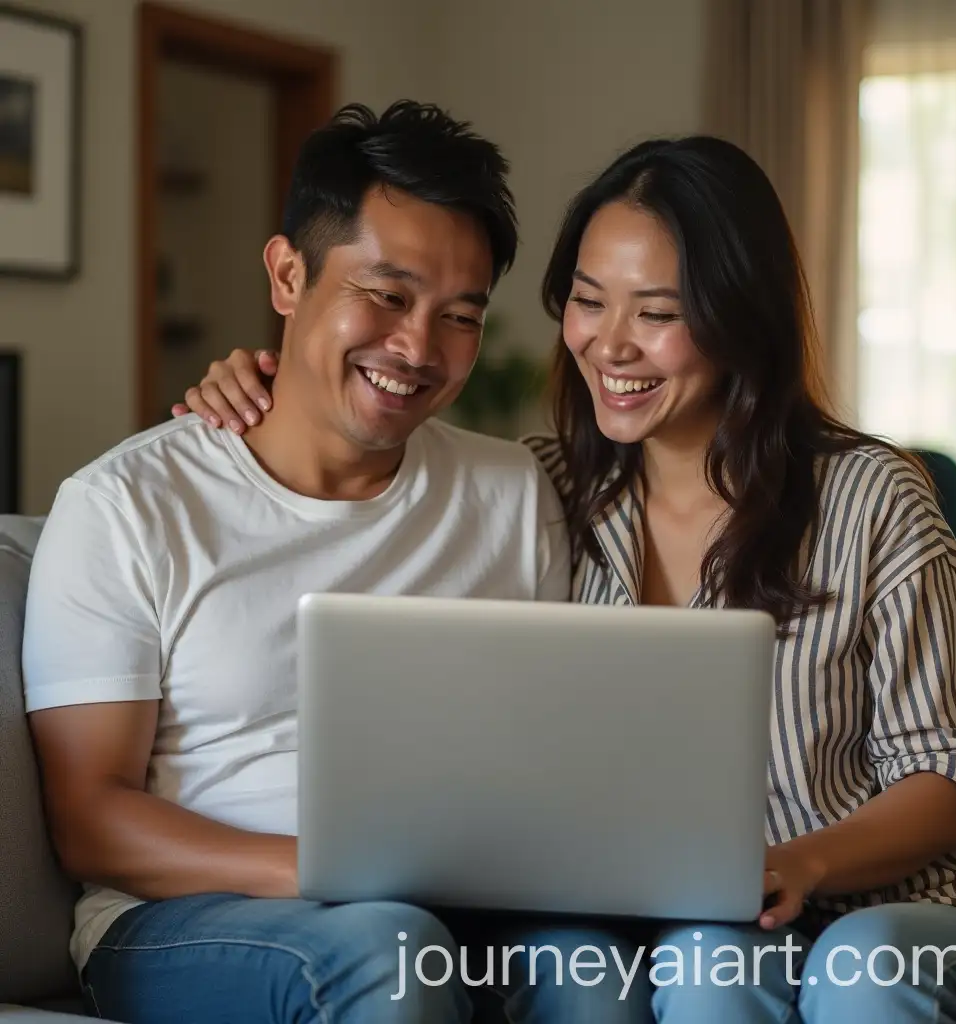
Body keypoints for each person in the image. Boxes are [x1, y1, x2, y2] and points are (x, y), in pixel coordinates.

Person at [179, 133, 956, 1022]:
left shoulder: (870, 495)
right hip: (699, 933)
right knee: (702, 968)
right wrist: (255, 381)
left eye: (657, 313)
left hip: (906, 919)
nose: (609, 346)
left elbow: (950, 778)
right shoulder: (544, 493)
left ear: (741, 316)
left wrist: (800, 863)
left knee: (864, 965)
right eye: (587, 302)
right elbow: (350, 439)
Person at [21, 101, 652, 1024]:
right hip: (185, 920)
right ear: (287, 274)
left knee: (594, 968)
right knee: (391, 954)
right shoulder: (125, 507)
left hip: (450, 908)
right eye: (387, 296)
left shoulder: (511, 492)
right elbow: (90, 820)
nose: (417, 349)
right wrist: (338, 873)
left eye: (460, 316)